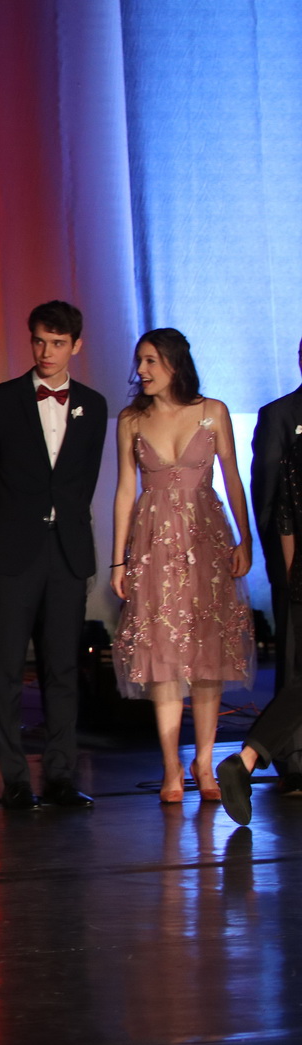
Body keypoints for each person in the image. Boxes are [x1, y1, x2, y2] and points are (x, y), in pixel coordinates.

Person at [0, 301, 109, 809]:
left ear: (76, 345)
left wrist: (62, 522)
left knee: (62, 667)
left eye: (57, 343)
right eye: (39, 341)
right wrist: (16, 523)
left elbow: (84, 479)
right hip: (14, 549)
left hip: (67, 550)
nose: (46, 352)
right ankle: (13, 778)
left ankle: (60, 775)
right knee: (7, 666)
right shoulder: (0, 400)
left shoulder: (93, 405)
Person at [110, 328, 254, 803]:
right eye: (140, 361)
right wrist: (118, 560)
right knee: (163, 653)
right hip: (154, 546)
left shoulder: (212, 412)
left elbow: (232, 476)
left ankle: (204, 761)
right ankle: (171, 764)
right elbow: (125, 491)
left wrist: (245, 537)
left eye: (150, 360)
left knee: (209, 652)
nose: (141, 370)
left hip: (205, 541)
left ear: (174, 363)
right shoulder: (132, 419)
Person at [248, 337, 302, 788]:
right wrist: (280, 565)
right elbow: (269, 497)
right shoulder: (280, 414)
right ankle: (293, 758)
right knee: (295, 658)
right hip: (294, 559)